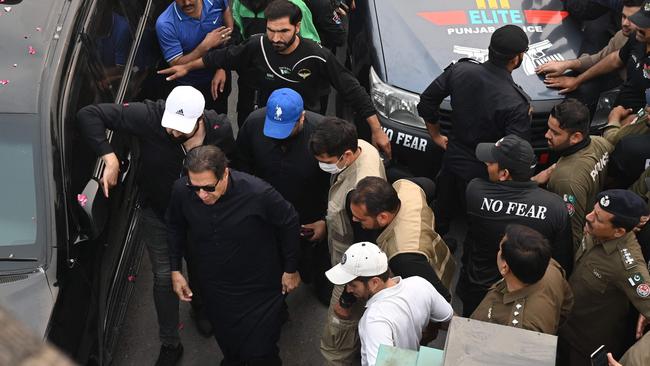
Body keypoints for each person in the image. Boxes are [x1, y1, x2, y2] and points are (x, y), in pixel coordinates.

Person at [76, 86, 235, 365]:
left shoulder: (220, 129)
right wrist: (109, 156)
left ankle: (200, 306)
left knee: (201, 266)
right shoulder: (149, 116)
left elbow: (233, 171)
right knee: (164, 279)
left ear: (200, 120)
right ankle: (170, 342)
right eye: (170, 126)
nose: (173, 133)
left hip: (200, 219)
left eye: (180, 128)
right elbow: (89, 114)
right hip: (159, 215)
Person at [158, 0, 392, 158]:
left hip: (305, 122)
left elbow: (352, 89)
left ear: (298, 27)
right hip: (270, 118)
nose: (276, 38)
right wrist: (186, 67)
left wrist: (377, 129)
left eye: (283, 32)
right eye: (271, 30)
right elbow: (222, 57)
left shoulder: (317, 56)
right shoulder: (258, 44)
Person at [166, 145, 301, 366]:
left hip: (259, 288)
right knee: (230, 344)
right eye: (195, 188)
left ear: (225, 173)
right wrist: (175, 270)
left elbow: (289, 221)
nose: (201, 195)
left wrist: (290, 268)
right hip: (215, 288)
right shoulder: (181, 191)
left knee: (260, 354)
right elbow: (174, 227)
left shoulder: (259, 193)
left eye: (208, 188)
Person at [416, 24, 531, 240]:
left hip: (452, 158)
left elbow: (427, 102)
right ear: (516, 59)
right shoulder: (517, 103)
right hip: (483, 173)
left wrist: (436, 135)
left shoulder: (460, 71)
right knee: (478, 232)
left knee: (438, 219)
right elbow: (516, 151)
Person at [235, 88, 331, 303]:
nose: (280, 135)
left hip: (309, 217)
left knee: (314, 266)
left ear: (302, 118)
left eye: (287, 128)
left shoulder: (324, 134)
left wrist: (326, 221)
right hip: (267, 215)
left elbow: (336, 183)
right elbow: (241, 165)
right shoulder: (253, 124)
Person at [460, 135, 573, 316]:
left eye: (491, 162)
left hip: (480, 289)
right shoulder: (555, 208)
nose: (486, 164)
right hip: (529, 297)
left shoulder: (476, 191)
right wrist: (533, 182)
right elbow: (563, 261)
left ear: (504, 174)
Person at [308, 117, 386, 365]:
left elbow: (365, 247)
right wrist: (326, 222)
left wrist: (346, 298)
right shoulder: (362, 146)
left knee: (338, 329)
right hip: (344, 255)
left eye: (326, 162)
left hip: (352, 270)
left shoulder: (359, 193)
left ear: (347, 154)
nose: (322, 166)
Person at [558, 190, 650, 365]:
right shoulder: (595, 232)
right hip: (564, 327)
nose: (588, 217)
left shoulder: (628, 266)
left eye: (598, 218)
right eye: (594, 210)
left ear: (618, 231)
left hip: (585, 348)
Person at [325, 242, 453, 366]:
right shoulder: (420, 283)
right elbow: (447, 315)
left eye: (353, 285)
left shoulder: (373, 320)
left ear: (375, 282)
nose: (348, 290)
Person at [347, 176, 455, 301]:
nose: (354, 220)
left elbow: (440, 299)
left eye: (361, 219)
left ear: (382, 217)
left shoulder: (402, 257)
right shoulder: (405, 187)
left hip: (436, 276)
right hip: (436, 250)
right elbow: (429, 184)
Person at [533, 99, 613, 253]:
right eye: (549, 128)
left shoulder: (566, 180)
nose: (546, 135)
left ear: (576, 137)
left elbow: (571, 236)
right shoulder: (600, 142)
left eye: (555, 132)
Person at [537, 0, 642, 109]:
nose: (625, 23)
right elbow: (604, 59)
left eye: (632, 20)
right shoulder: (623, 37)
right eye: (623, 17)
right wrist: (567, 65)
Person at [471, 224, 574, 335]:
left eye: (500, 250)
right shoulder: (550, 267)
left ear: (505, 267)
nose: (498, 252)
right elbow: (566, 305)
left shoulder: (520, 328)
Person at [155, 0, 234, 114]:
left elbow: (229, 28)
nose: (186, 3)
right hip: (190, 86)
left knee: (218, 121)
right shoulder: (166, 24)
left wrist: (221, 67)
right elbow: (176, 64)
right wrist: (204, 47)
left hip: (218, 77)